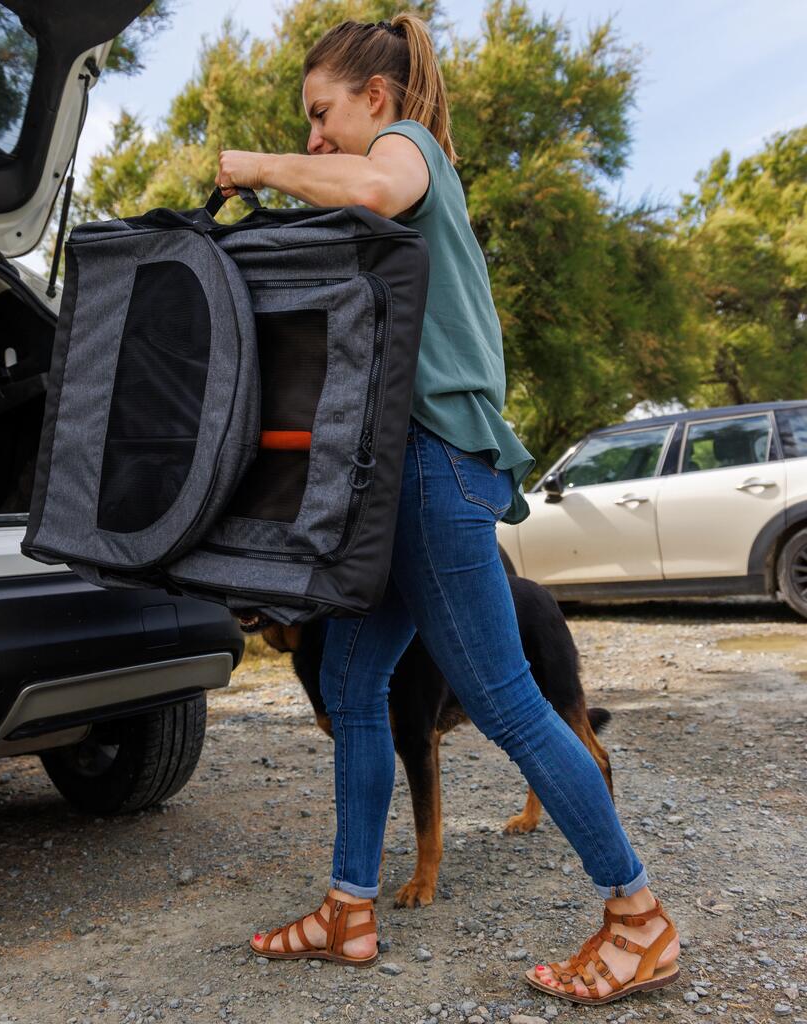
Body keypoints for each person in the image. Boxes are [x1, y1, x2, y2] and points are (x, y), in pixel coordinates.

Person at [214, 13, 680, 1006]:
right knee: (350, 680)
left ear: (374, 99)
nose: (312, 138)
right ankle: (348, 907)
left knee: (505, 698)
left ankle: (637, 918)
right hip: (408, 470)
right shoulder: (394, 168)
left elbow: (374, 183)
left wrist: (250, 163)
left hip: (432, 464)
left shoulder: (404, 147)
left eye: (319, 115)